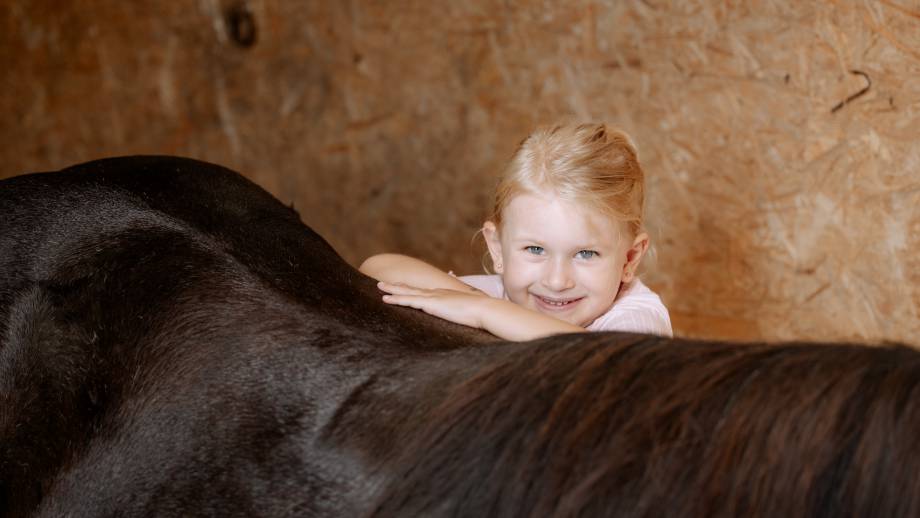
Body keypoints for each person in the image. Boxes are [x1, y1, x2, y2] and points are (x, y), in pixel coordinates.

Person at [359, 123, 672, 341]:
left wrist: (485, 312)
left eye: (586, 253)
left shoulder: (638, 318)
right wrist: (472, 300)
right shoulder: (500, 292)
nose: (556, 281)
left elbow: (608, 362)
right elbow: (379, 267)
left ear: (629, 258)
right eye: (535, 250)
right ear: (497, 248)